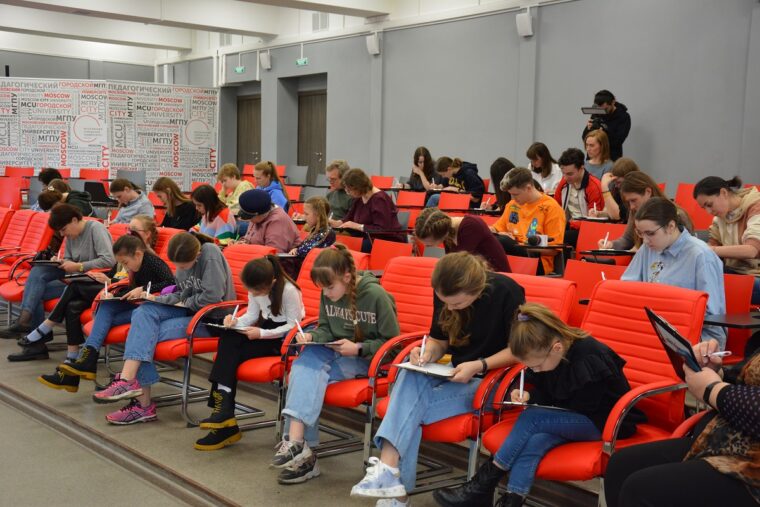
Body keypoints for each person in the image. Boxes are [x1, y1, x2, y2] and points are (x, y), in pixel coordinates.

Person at [350, 252, 524, 505]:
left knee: (406, 411)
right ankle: (390, 474)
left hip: (490, 381)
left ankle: (394, 486)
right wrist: (427, 353)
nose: (450, 308)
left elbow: (519, 350)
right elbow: (439, 340)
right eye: (446, 303)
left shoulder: (508, 292)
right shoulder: (444, 290)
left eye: (457, 304)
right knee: (409, 373)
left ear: (476, 291)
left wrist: (479, 364)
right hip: (454, 373)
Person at [433, 303, 644, 507]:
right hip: (575, 416)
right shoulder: (550, 355)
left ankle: (480, 487)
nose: (536, 370)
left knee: (531, 418)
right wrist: (529, 395)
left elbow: (579, 405)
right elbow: (552, 392)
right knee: (535, 442)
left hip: (605, 421)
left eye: (537, 366)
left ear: (556, 348)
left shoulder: (589, 355)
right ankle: (512, 500)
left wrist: (538, 404)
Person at [272, 245, 399, 484]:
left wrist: (359, 348)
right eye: (322, 288)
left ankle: (300, 449)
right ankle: (297, 445)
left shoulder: (375, 296)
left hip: (367, 360)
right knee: (306, 362)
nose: (326, 293)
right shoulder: (328, 292)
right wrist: (313, 336)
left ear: (347, 278)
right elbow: (326, 329)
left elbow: (393, 346)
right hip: (336, 353)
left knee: (304, 375)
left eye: (330, 287)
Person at [91, 232, 235, 425]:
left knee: (142, 335)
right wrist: (157, 299)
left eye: (183, 266)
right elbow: (181, 292)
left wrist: (183, 302)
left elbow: (213, 296)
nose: (180, 270)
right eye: (177, 266)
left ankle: (139, 401)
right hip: (189, 312)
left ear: (197, 255)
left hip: (210, 320)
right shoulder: (185, 259)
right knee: (144, 312)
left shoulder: (210, 253)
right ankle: (129, 383)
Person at [604, 339, 760, 507]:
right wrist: (714, 372)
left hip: (751, 467)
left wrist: (712, 388)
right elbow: (747, 383)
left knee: (640, 490)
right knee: (621, 465)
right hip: (726, 438)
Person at [195, 255, 305, 451]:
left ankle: (224, 416)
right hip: (264, 331)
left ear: (272, 282)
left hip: (283, 341)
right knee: (228, 336)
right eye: (251, 291)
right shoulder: (256, 285)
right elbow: (252, 315)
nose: (253, 294)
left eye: (256, 291)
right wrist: (235, 321)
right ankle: (224, 412)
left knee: (229, 354)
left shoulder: (289, 291)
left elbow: (292, 326)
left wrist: (262, 333)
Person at [44, 232, 175, 391]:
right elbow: (131, 289)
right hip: (137, 304)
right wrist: (114, 295)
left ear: (138, 254)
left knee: (102, 321)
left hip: (149, 309)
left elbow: (171, 284)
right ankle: (86, 361)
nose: (125, 267)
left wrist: (144, 289)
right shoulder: (135, 265)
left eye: (125, 263)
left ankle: (81, 366)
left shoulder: (153, 262)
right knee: (106, 306)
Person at [3, 204, 115, 360]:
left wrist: (79, 266)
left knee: (35, 289)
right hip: (74, 278)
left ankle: (31, 334)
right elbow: (70, 258)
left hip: (92, 282)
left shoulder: (96, 229)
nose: (63, 234)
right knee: (37, 280)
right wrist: (61, 261)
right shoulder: (71, 235)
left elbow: (109, 260)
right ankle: (30, 329)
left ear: (74, 220)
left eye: (63, 229)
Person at [622, 197, 726, 346]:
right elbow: (627, 287)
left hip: (699, 336)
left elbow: (710, 313)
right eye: (640, 233)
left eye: (650, 233)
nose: (645, 240)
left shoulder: (701, 255)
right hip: (656, 328)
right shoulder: (648, 249)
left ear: (670, 226)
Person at [693, 176, 760, 305]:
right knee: (695, 277)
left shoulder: (756, 207)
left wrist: (709, 249)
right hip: (735, 272)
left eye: (709, 205)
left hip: (756, 275)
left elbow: (751, 250)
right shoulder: (721, 216)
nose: (708, 211)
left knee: (709, 285)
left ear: (724, 192)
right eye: (704, 208)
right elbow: (713, 244)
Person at [491, 167, 566, 274]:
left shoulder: (551, 208)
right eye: (511, 194)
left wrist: (517, 244)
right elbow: (496, 228)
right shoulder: (512, 205)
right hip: (511, 255)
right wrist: (492, 231)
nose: (513, 198)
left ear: (529, 188)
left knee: (503, 241)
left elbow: (554, 250)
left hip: (537, 260)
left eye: (516, 194)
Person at [599, 172, 693, 251]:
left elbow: (686, 249)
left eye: (633, 200)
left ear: (648, 192)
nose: (631, 207)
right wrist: (611, 245)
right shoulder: (636, 210)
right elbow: (627, 240)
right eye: (629, 202)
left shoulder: (677, 215)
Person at [330, 168, 406, 253]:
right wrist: (334, 223)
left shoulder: (379, 199)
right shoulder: (359, 197)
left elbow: (382, 229)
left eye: (349, 189)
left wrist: (357, 226)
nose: (347, 192)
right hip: (367, 238)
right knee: (335, 242)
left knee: (343, 247)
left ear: (358, 187)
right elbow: (348, 219)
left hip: (386, 241)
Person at [414, 207, 510, 272]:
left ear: (441, 234)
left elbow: (459, 266)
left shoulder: (471, 226)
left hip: (496, 277)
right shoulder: (447, 233)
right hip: (475, 278)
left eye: (429, 245)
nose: (426, 246)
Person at [554, 148, 604, 248]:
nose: (565, 177)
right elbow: (555, 207)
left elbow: (594, 222)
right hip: (569, 226)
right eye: (563, 173)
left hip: (586, 230)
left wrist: (569, 224)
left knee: (560, 238)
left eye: (570, 174)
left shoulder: (594, 186)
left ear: (581, 168)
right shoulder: (564, 183)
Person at [582, 89, 631, 161]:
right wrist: (588, 129)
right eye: (600, 109)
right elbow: (584, 138)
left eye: (606, 109)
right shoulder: (597, 112)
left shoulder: (624, 117)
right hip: (593, 159)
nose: (603, 112)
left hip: (611, 158)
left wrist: (605, 130)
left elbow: (618, 141)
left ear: (613, 102)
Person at [589, 157, 640, 222]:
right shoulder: (617, 189)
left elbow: (618, 216)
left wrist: (604, 188)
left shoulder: (635, 192)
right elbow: (610, 212)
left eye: (619, 182)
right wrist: (599, 214)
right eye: (615, 182)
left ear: (629, 178)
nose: (616, 185)